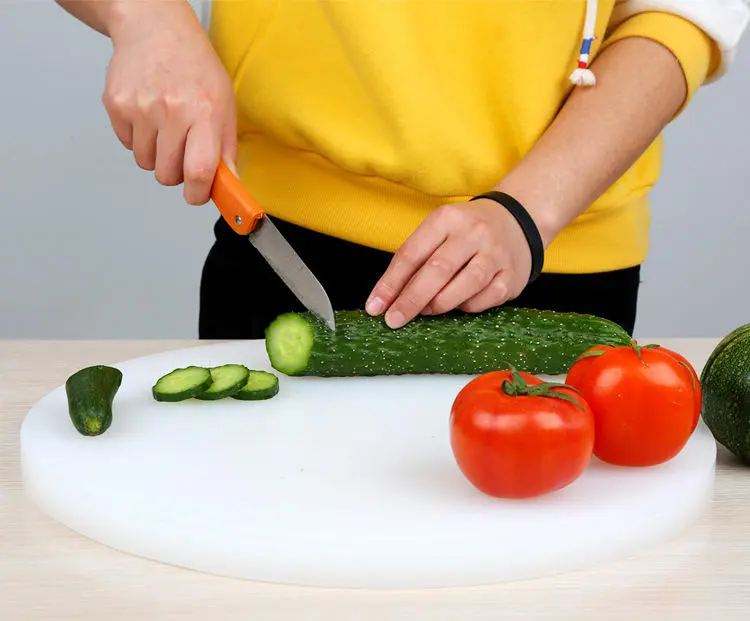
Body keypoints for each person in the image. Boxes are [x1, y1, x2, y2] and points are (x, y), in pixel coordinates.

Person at [57, 0, 747, 338]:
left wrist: (526, 213)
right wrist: (144, 18)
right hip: (283, 241)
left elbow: (683, 14)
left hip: (548, 250)